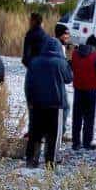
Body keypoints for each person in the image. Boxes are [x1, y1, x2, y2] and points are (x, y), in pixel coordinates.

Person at [24, 36, 72, 167]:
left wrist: (30, 101)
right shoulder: (60, 63)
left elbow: (28, 83)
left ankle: (31, 159)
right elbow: (69, 78)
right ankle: (51, 161)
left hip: (37, 104)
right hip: (56, 105)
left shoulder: (34, 62)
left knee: (35, 133)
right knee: (54, 135)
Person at [70, 34, 96, 150]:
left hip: (78, 88)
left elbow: (72, 68)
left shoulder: (75, 53)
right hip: (91, 89)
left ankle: (76, 142)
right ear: (95, 46)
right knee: (89, 117)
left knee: (77, 116)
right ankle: (87, 142)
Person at [55, 24, 73, 141]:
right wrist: (69, 64)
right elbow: (67, 78)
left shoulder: (53, 44)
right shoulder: (59, 47)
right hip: (57, 83)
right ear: (60, 34)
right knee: (64, 107)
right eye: (66, 34)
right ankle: (59, 133)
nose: (68, 36)